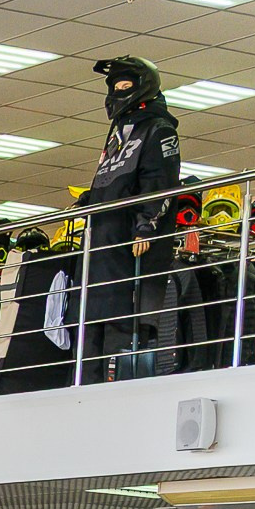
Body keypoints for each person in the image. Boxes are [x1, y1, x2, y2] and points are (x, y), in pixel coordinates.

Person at [79, 56, 180, 369]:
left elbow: (159, 182)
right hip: (102, 246)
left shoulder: (158, 129)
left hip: (130, 250)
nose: (119, 91)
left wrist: (146, 226)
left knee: (124, 328)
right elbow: (114, 180)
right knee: (91, 327)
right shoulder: (118, 132)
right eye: (116, 85)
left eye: (126, 85)